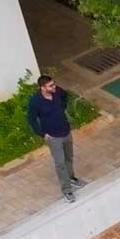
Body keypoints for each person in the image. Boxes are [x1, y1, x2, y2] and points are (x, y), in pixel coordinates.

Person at [26, 76, 85, 204]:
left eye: (54, 84)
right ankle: (67, 190)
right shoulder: (35, 102)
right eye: (50, 86)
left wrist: (62, 108)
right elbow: (31, 119)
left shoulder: (57, 91)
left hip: (66, 131)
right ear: (42, 88)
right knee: (60, 163)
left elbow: (65, 96)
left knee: (69, 157)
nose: (54, 87)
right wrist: (42, 134)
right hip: (53, 137)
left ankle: (71, 178)